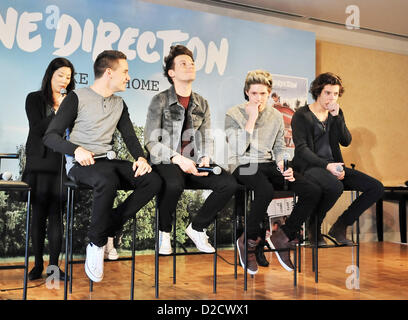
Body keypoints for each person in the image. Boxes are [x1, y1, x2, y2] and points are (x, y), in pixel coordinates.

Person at [43, 50, 162, 282]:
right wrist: (76, 149)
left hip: (108, 162)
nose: (128, 77)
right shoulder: (77, 98)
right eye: (125, 72)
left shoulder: (119, 103)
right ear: (109, 72)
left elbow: (129, 137)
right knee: (107, 179)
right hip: (81, 164)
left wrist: (141, 158)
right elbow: (50, 137)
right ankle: (97, 244)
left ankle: (108, 225)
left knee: (153, 180)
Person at [225, 70, 322, 274]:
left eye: (263, 94)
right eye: (254, 94)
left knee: (311, 189)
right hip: (243, 164)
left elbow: (279, 148)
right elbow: (238, 149)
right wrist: (251, 119)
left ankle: (283, 235)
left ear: (269, 94)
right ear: (246, 93)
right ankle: (248, 241)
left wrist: (283, 166)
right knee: (265, 190)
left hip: (268, 164)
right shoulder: (233, 113)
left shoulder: (276, 115)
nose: (258, 99)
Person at [144, 45, 237, 254]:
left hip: (193, 163)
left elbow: (206, 137)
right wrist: (178, 159)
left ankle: (197, 228)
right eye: (183, 63)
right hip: (166, 161)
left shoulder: (202, 103)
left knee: (228, 183)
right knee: (174, 184)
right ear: (172, 73)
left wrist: (205, 157)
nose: (190, 66)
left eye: (192, 63)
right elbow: (151, 142)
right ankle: (164, 233)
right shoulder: (159, 100)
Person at [291, 72, 384, 245]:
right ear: (318, 91)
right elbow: (302, 149)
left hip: (334, 166)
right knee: (335, 186)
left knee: (376, 188)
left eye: (335, 94)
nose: (331, 98)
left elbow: (346, 141)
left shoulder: (336, 113)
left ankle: (340, 226)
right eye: (328, 93)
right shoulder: (301, 115)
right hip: (310, 167)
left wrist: (338, 117)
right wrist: (328, 167)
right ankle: (314, 226)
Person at [24, 57, 75, 281]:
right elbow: (36, 128)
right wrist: (58, 112)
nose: (64, 80)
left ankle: (54, 267)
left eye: (68, 76)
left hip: (59, 164)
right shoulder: (34, 99)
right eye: (60, 75)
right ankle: (37, 265)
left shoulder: (72, 102)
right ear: (50, 76)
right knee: (38, 216)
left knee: (56, 216)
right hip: (38, 162)